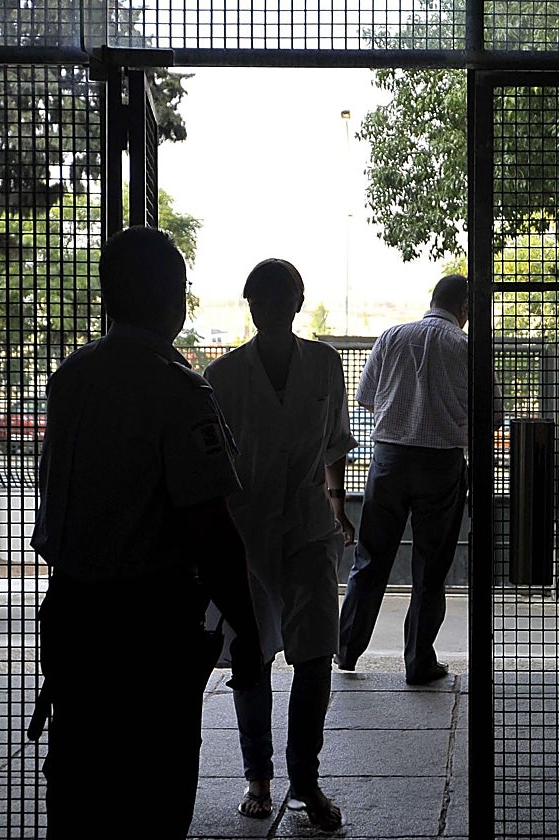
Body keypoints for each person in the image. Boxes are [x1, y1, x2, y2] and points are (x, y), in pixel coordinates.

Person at [28, 226, 262, 838]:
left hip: (75, 616)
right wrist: (247, 630)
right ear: (174, 299)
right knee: (153, 795)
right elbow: (210, 527)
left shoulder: (72, 376)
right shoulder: (177, 388)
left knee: (80, 787)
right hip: (148, 628)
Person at [203, 258, 354, 832]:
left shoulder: (325, 364)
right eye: (263, 298)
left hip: (310, 526)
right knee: (251, 655)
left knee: (314, 654)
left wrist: (337, 507)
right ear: (250, 305)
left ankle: (305, 780)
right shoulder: (222, 377)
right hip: (246, 531)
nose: (272, 307)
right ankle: (258, 777)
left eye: (282, 297)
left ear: (297, 302)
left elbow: (335, 442)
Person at [337, 274, 470, 686]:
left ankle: (346, 651)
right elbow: (491, 411)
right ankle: (418, 662)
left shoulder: (393, 336)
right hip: (442, 466)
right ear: (464, 308)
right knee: (430, 568)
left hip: (389, 460)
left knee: (370, 559)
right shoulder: (465, 347)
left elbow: (365, 397)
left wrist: (402, 407)